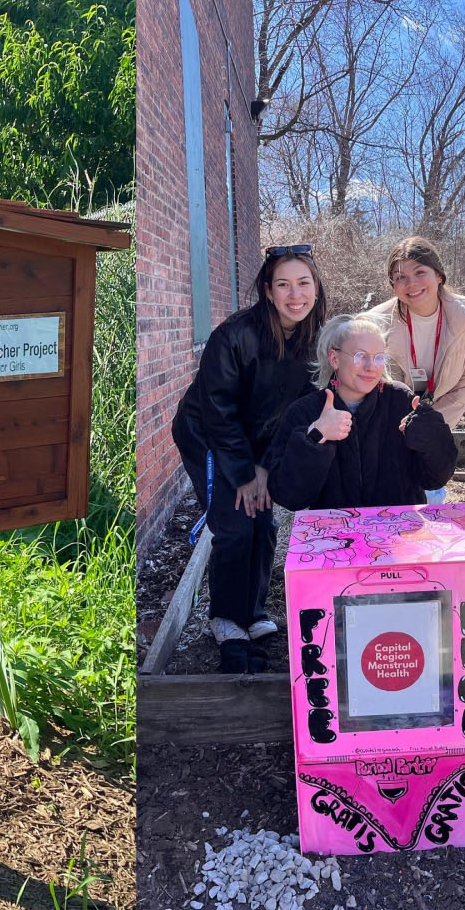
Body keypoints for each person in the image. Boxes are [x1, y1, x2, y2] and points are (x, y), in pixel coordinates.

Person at [172, 246, 328, 666]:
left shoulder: (318, 339)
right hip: (208, 437)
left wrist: (265, 468)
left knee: (264, 522)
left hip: (260, 445)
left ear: (316, 288)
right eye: (283, 284)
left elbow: (298, 414)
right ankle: (225, 618)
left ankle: (253, 611)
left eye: (303, 283)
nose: (295, 295)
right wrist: (243, 474)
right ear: (268, 290)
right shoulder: (235, 335)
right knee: (236, 524)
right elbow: (219, 412)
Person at [267, 314, 457, 511]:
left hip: (398, 532)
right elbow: (288, 496)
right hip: (336, 535)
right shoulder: (305, 412)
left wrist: (433, 437)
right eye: (360, 356)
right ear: (334, 359)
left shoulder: (401, 402)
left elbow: (435, 479)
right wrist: (315, 437)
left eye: (379, 358)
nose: (371, 367)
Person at [366, 238, 465, 505]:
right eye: (400, 277)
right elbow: (372, 387)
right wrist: (403, 430)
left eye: (420, 272)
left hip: (437, 430)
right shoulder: (375, 322)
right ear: (392, 285)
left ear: (439, 275)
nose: (412, 283)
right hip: (389, 432)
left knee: (430, 507)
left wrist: (430, 429)